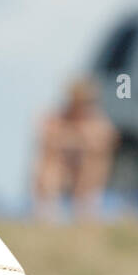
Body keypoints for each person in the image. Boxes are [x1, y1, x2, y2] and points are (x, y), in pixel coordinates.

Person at [32, 76, 118, 220]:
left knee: (94, 162)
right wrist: (77, 140)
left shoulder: (98, 121)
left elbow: (104, 141)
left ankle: (86, 211)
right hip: (61, 172)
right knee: (49, 166)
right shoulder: (57, 117)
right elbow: (47, 138)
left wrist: (74, 141)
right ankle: (47, 213)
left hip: (84, 175)